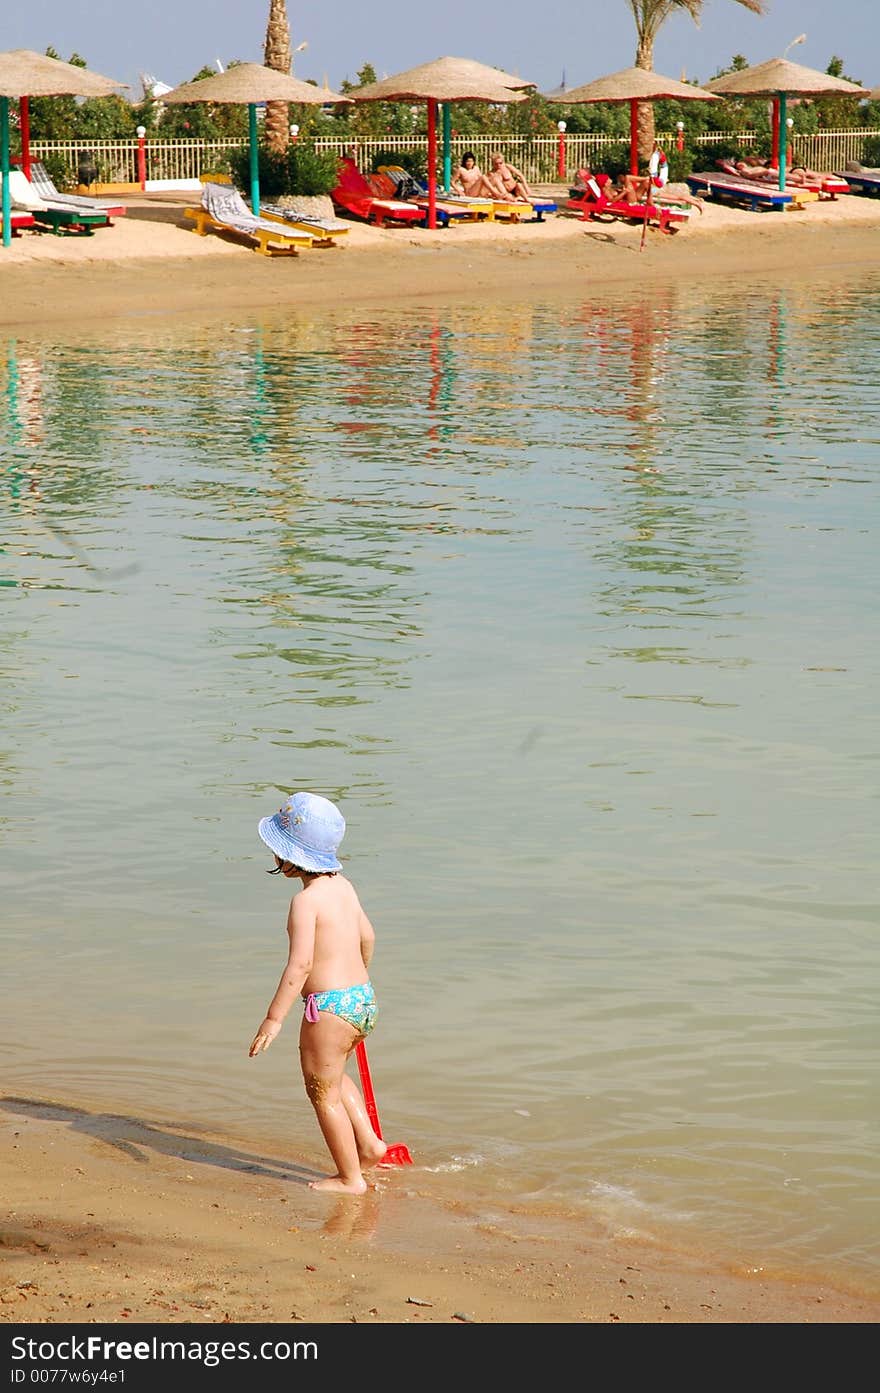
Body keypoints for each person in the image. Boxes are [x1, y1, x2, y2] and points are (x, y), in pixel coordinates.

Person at [249, 790, 387, 1195]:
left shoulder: (305, 902)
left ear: (291, 856)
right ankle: (370, 1144)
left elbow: (301, 966)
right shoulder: (344, 887)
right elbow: (368, 936)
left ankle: (350, 1178)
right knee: (336, 1075)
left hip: (327, 1008)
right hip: (361, 1000)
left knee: (321, 1091)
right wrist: (358, 982)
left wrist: (273, 1019)